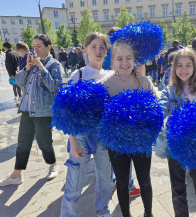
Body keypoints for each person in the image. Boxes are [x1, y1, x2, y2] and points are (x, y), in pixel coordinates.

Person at [60, 32, 115, 217]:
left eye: (102, 48)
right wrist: (72, 140)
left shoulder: (112, 75)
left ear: (107, 52)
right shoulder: (78, 74)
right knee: (75, 181)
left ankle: (102, 210)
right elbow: (65, 110)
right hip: (80, 134)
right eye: (94, 47)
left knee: (106, 180)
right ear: (85, 50)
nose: (98, 51)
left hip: (104, 135)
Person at [102, 39, 156, 217]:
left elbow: (156, 109)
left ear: (135, 60)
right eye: (119, 59)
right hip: (117, 145)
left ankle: (148, 213)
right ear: (112, 60)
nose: (124, 63)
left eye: (128, 58)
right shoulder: (105, 84)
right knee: (122, 182)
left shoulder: (144, 82)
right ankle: (126, 215)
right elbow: (100, 116)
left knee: (145, 181)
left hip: (141, 143)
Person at [0, 34, 62, 187]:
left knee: (44, 143)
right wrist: (27, 68)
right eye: (33, 46)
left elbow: (55, 87)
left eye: (39, 46)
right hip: (27, 109)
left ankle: (53, 164)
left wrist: (41, 67)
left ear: (48, 47)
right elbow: (19, 82)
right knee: (23, 143)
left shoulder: (53, 65)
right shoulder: (29, 63)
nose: (35, 49)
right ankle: (16, 175)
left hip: (43, 111)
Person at [159, 48, 196, 216]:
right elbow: (161, 107)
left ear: (195, 67)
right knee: (178, 190)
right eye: (179, 66)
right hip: (175, 144)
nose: (184, 70)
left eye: (188, 65)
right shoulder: (169, 90)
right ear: (174, 69)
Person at [102, 27, 142, 197]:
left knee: (119, 160)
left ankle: (121, 183)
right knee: (118, 158)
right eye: (119, 59)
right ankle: (123, 183)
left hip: (129, 129)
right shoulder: (108, 72)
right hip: (115, 127)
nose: (124, 61)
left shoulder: (111, 54)